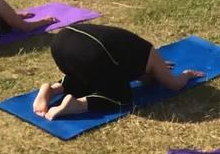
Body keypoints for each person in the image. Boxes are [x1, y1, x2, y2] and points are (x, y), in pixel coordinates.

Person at [32, 23, 206, 120]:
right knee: (121, 97)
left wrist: (157, 67)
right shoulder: (148, 54)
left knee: (85, 76)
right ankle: (77, 104)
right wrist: (188, 75)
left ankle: (53, 89)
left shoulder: (136, 55)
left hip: (62, 40)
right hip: (91, 52)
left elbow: (140, 72)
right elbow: (174, 84)